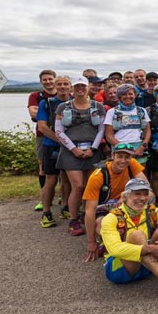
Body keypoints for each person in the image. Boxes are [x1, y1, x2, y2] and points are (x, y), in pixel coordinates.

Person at [54, 76, 106, 236]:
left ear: (88, 87)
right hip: (71, 152)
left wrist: (93, 148)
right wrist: (73, 149)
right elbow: (58, 131)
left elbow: (102, 130)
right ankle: (74, 219)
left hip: (93, 151)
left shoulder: (98, 107)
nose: (80, 90)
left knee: (92, 186)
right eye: (77, 87)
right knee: (77, 186)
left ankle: (88, 213)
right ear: (72, 89)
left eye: (82, 86)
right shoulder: (63, 107)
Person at [83, 144, 148, 262]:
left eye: (127, 157)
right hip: (103, 209)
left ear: (131, 158)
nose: (123, 161)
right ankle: (108, 242)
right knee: (103, 225)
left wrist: (126, 198)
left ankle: (131, 244)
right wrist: (90, 242)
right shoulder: (97, 176)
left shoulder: (132, 164)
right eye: (120, 156)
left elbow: (149, 191)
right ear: (112, 156)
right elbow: (89, 211)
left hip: (124, 205)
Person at [36, 75, 73, 228]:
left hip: (71, 147)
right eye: (60, 84)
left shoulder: (75, 102)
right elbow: (42, 127)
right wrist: (62, 141)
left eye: (66, 84)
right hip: (51, 145)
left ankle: (65, 207)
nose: (63, 86)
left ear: (70, 86)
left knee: (67, 179)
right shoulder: (46, 103)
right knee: (51, 180)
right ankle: (46, 212)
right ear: (55, 86)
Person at [29, 69, 57, 211]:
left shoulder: (62, 94)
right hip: (42, 135)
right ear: (41, 81)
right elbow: (33, 113)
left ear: (55, 79)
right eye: (45, 79)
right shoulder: (36, 96)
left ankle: (63, 200)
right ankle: (45, 199)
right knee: (43, 167)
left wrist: (43, 114)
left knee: (64, 171)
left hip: (64, 137)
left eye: (50, 79)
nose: (48, 82)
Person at [103, 83, 151, 164]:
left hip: (138, 147)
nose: (127, 96)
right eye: (124, 94)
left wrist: (142, 148)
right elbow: (109, 135)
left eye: (130, 94)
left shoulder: (142, 111)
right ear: (119, 96)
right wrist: (125, 149)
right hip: (119, 147)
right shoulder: (112, 112)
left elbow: (148, 131)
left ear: (135, 95)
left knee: (140, 175)